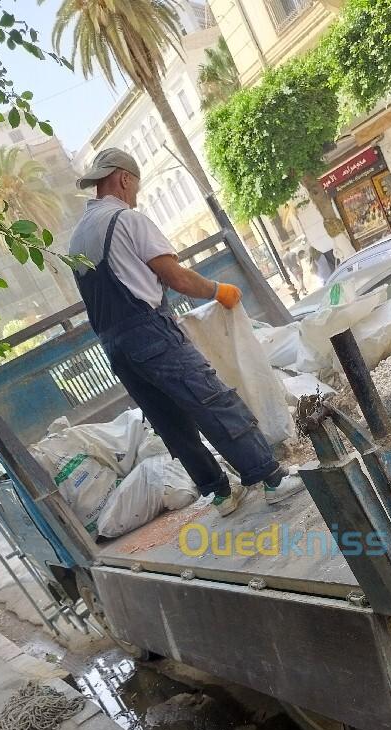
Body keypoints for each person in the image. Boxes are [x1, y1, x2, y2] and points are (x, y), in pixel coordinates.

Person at [69, 148, 303, 517]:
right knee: (212, 400)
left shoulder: (79, 237)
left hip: (115, 348)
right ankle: (270, 479)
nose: (136, 194)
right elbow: (175, 277)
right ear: (124, 178)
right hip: (149, 333)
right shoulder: (128, 219)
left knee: (171, 421)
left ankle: (221, 495)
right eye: (136, 186)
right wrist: (217, 290)